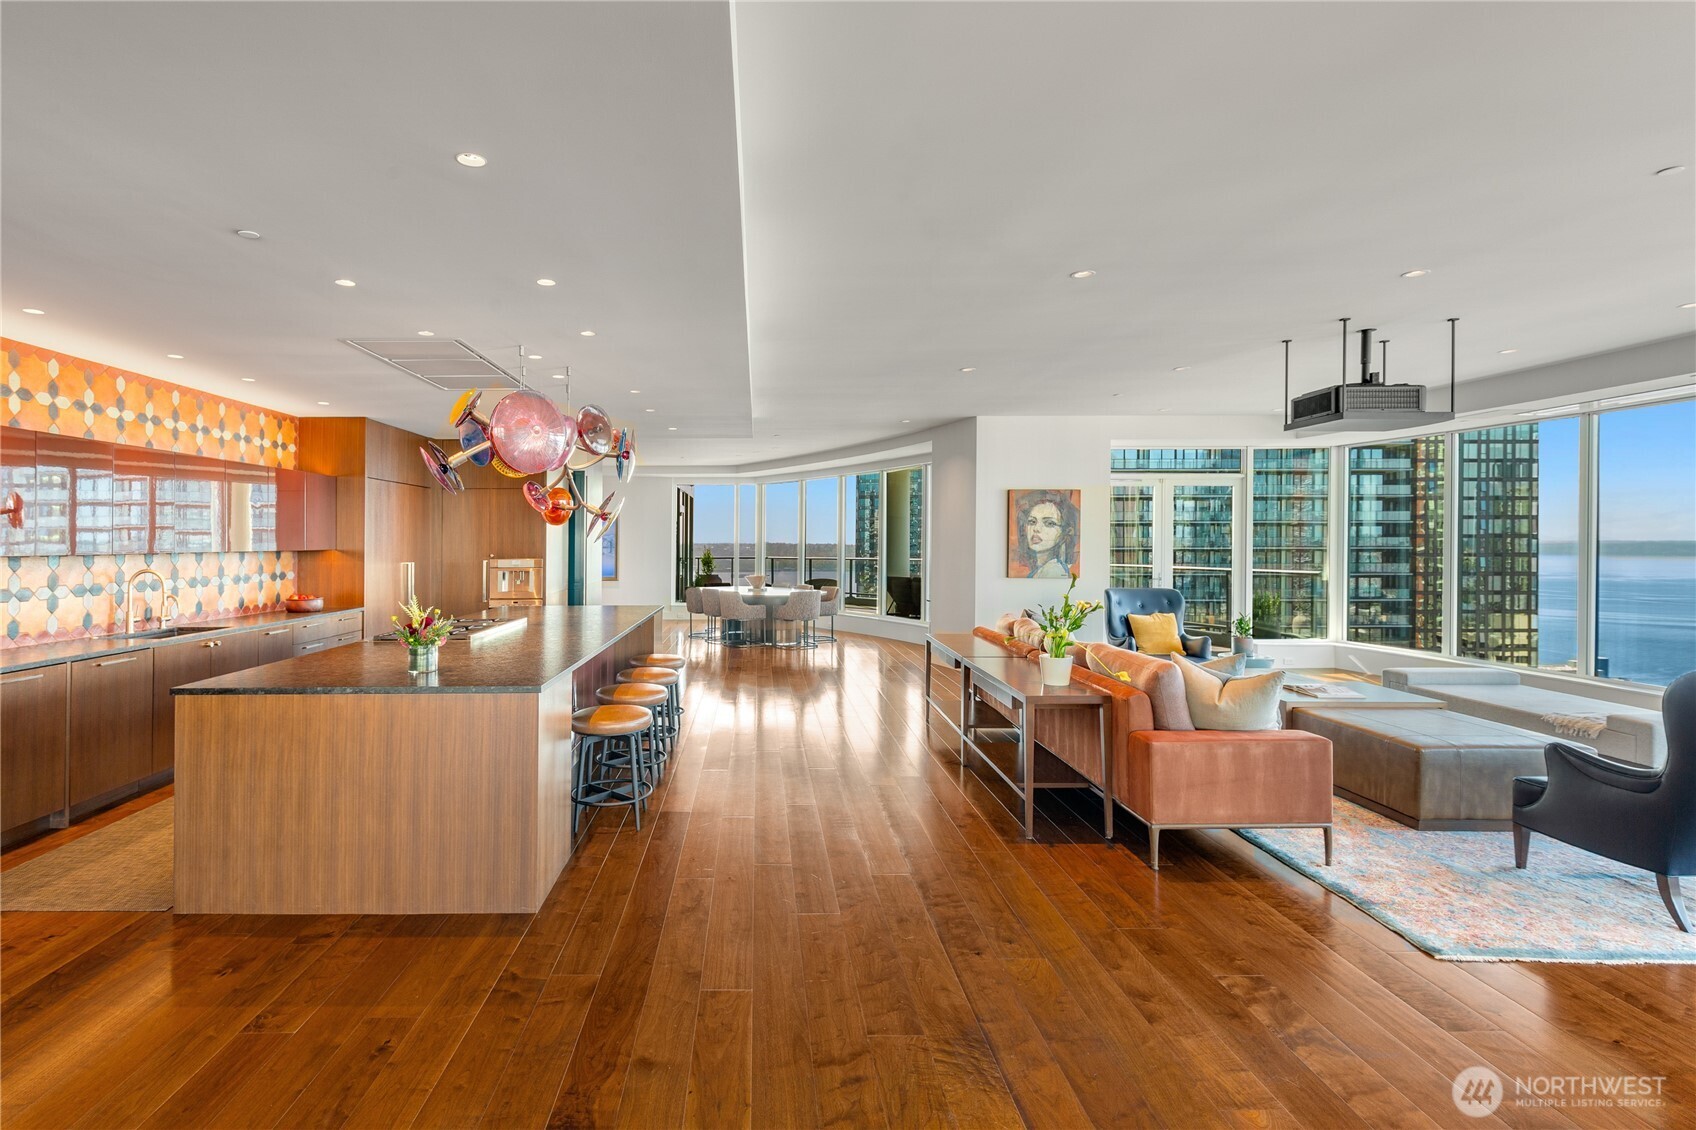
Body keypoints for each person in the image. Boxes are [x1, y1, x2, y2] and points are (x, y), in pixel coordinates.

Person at [1011, 490, 1079, 579]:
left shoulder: (1054, 570)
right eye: (1032, 522)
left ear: (1065, 533)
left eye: (1049, 523)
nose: (1036, 528)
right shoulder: (1041, 569)